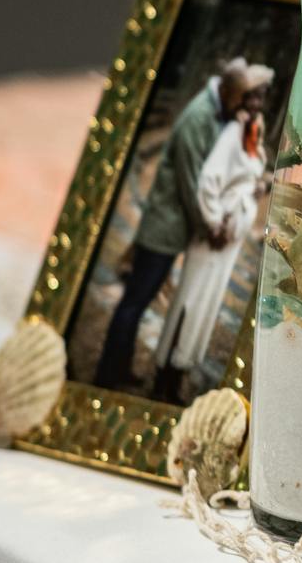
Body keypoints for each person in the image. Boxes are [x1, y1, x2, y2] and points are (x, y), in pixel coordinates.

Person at [92, 57, 254, 394]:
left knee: (137, 300)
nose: (240, 104)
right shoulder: (198, 118)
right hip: (162, 230)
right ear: (225, 91)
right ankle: (108, 374)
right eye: (239, 97)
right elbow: (190, 180)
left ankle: (116, 368)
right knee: (135, 301)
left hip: (168, 228)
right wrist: (209, 225)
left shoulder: (213, 111)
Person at [151, 66, 272, 403]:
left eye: (263, 95)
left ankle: (180, 369)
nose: (259, 101)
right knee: (191, 299)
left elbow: (241, 179)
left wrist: (259, 186)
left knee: (205, 304)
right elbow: (209, 180)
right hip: (213, 238)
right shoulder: (233, 133)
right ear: (245, 97)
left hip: (228, 242)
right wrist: (214, 221)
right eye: (255, 95)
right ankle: (167, 374)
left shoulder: (251, 133)